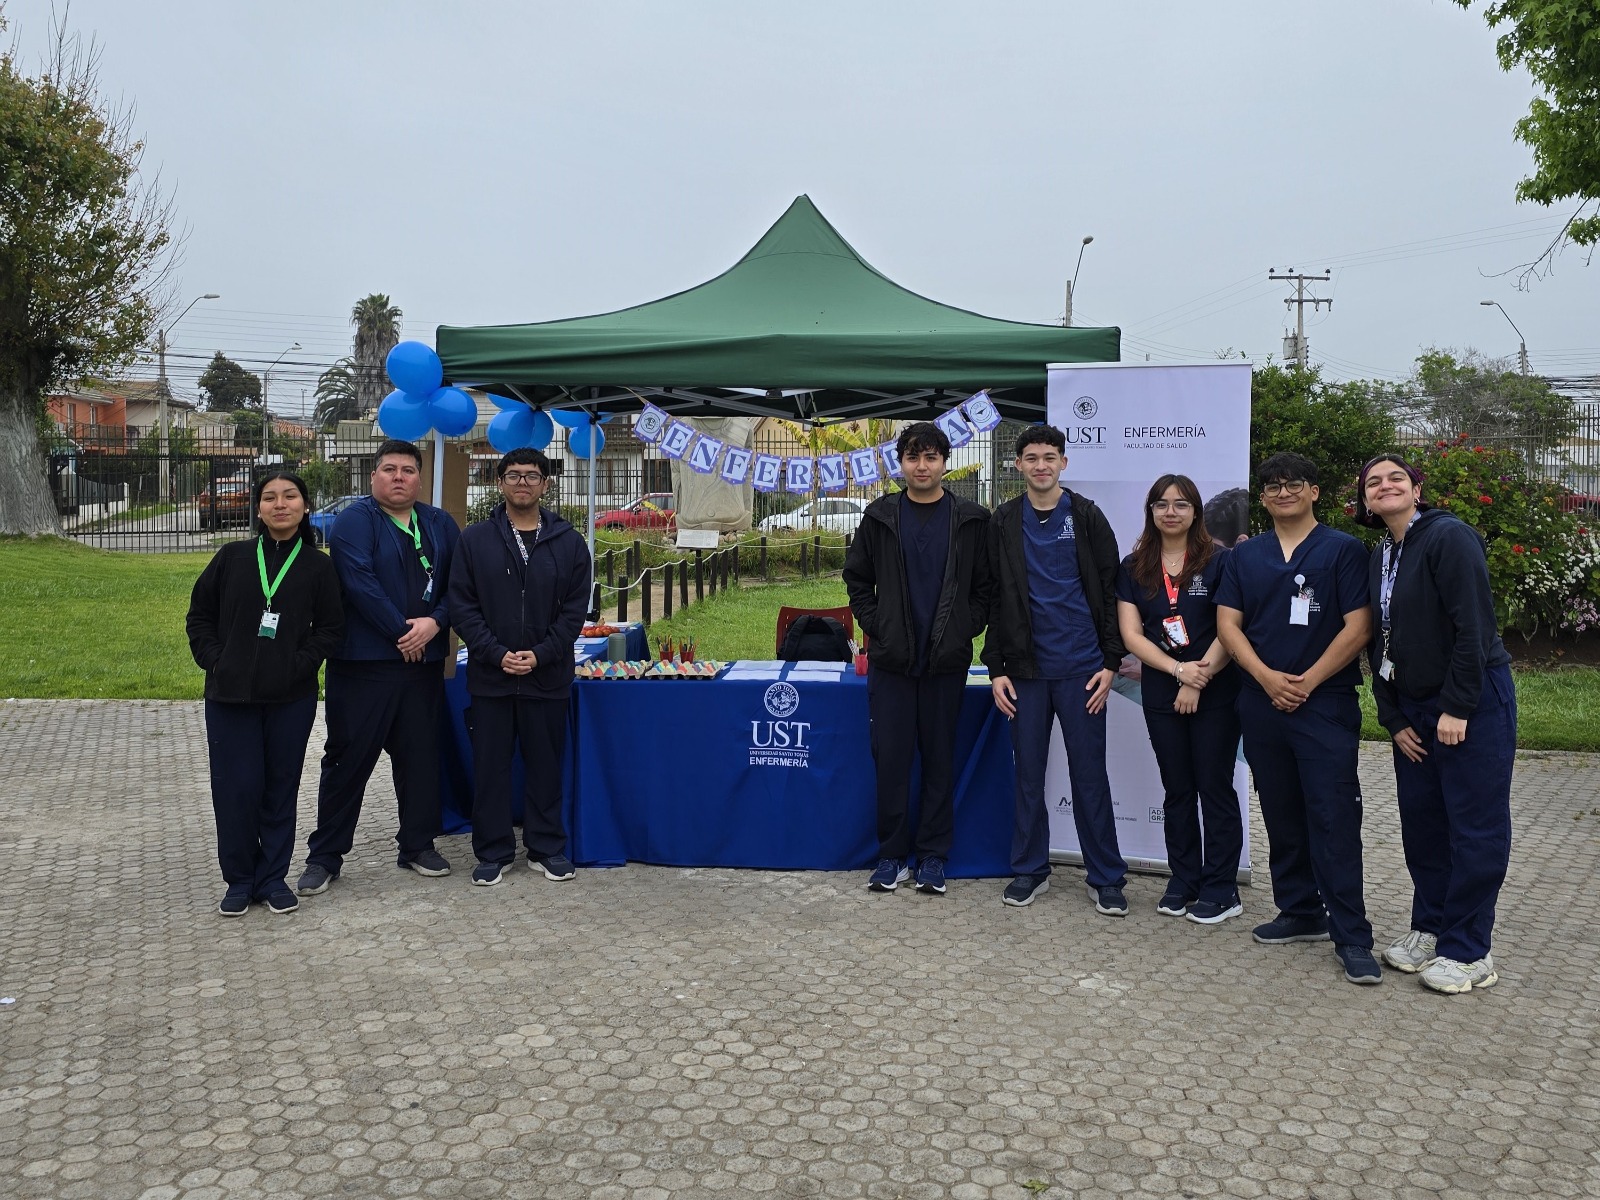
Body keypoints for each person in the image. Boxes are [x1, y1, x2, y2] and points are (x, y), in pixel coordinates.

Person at [1215, 452, 1380, 985]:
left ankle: (1352, 936)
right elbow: (1228, 624)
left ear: (1314, 491)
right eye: (1272, 486)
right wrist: (1266, 678)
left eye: (1294, 484)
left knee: (1332, 815)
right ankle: (1300, 909)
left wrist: (1306, 681)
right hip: (1260, 701)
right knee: (1281, 809)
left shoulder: (1343, 550)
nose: (1282, 492)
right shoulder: (1246, 557)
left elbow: (1358, 627)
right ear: (1261, 498)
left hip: (1323, 703)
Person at [1356, 452, 1516, 994]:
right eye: (1373, 482)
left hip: (1469, 704)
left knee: (1474, 825)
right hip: (1414, 710)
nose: (1385, 486)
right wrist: (1394, 715)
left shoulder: (1449, 538)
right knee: (1424, 825)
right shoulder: (1381, 553)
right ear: (1365, 501)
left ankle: (1470, 950)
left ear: (1417, 488)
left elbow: (1475, 627)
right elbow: (1378, 639)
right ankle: (1431, 926)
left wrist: (1458, 707)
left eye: (1396, 477)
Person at [295, 440, 460, 896]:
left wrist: (435, 623)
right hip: (364, 665)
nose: (399, 477)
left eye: (408, 470)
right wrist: (401, 633)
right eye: (389, 469)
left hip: (422, 665)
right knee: (348, 760)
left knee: (420, 758)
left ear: (420, 478)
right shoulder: (355, 521)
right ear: (373, 477)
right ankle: (325, 856)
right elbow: (359, 582)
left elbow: (458, 586)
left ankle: (417, 844)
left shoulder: (440, 523)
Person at [982, 424, 1129, 914]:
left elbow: (1111, 593)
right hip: (1024, 672)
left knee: (1090, 775)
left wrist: (1110, 663)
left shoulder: (1086, 516)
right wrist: (996, 666)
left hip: (1082, 669)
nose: (1041, 465)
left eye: (1050, 457)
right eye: (1031, 457)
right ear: (1018, 465)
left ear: (1063, 463)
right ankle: (1029, 870)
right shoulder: (1003, 520)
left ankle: (1106, 877)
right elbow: (994, 598)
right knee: (1028, 775)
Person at [844, 421, 993, 895]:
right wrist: (880, 626)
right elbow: (856, 580)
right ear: (900, 463)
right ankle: (891, 855)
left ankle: (932, 857)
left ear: (944, 462)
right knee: (891, 760)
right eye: (913, 456)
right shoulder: (880, 516)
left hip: (945, 664)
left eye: (930, 457)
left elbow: (985, 590)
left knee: (939, 761)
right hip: (891, 664)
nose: (922, 465)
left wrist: (963, 630)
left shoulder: (970, 518)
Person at [186, 471, 343, 916]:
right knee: (236, 790)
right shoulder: (232, 557)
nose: (280, 504)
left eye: (290, 496)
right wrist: (216, 660)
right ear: (258, 509)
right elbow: (199, 617)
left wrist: (298, 665)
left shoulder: (318, 566)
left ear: (305, 506)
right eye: (270, 498)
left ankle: (272, 878)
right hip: (228, 697)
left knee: (279, 788)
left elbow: (331, 629)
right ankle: (239, 880)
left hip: (290, 699)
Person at [447, 448, 591, 885]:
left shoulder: (568, 541)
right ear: (500, 482)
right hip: (492, 676)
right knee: (490, 767)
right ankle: (493, 851)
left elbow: (574, 610)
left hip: (546, 676)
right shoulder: (475, 540)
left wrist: (542, 653)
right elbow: (462, 605)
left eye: (532, 476)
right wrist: (495, 652)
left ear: (546, 484)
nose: (523, 483)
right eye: (514, 475)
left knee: (545, 764)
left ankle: (546, 847)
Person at [1115, 475, 1244, 924]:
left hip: (1216, 689)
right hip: (1160, 690)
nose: (1171, 512)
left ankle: (1221, 886)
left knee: (1214, 786)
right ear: (1150, 511)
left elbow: (1231, 630)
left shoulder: (1222, 561)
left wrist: (1196, 679)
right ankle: (1183, 878)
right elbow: (1132, 634)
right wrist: (1175, 672)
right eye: (1161, 504)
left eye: (1181, 504)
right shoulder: (1134, 567)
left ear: (1195, 512)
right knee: (1177, 790)